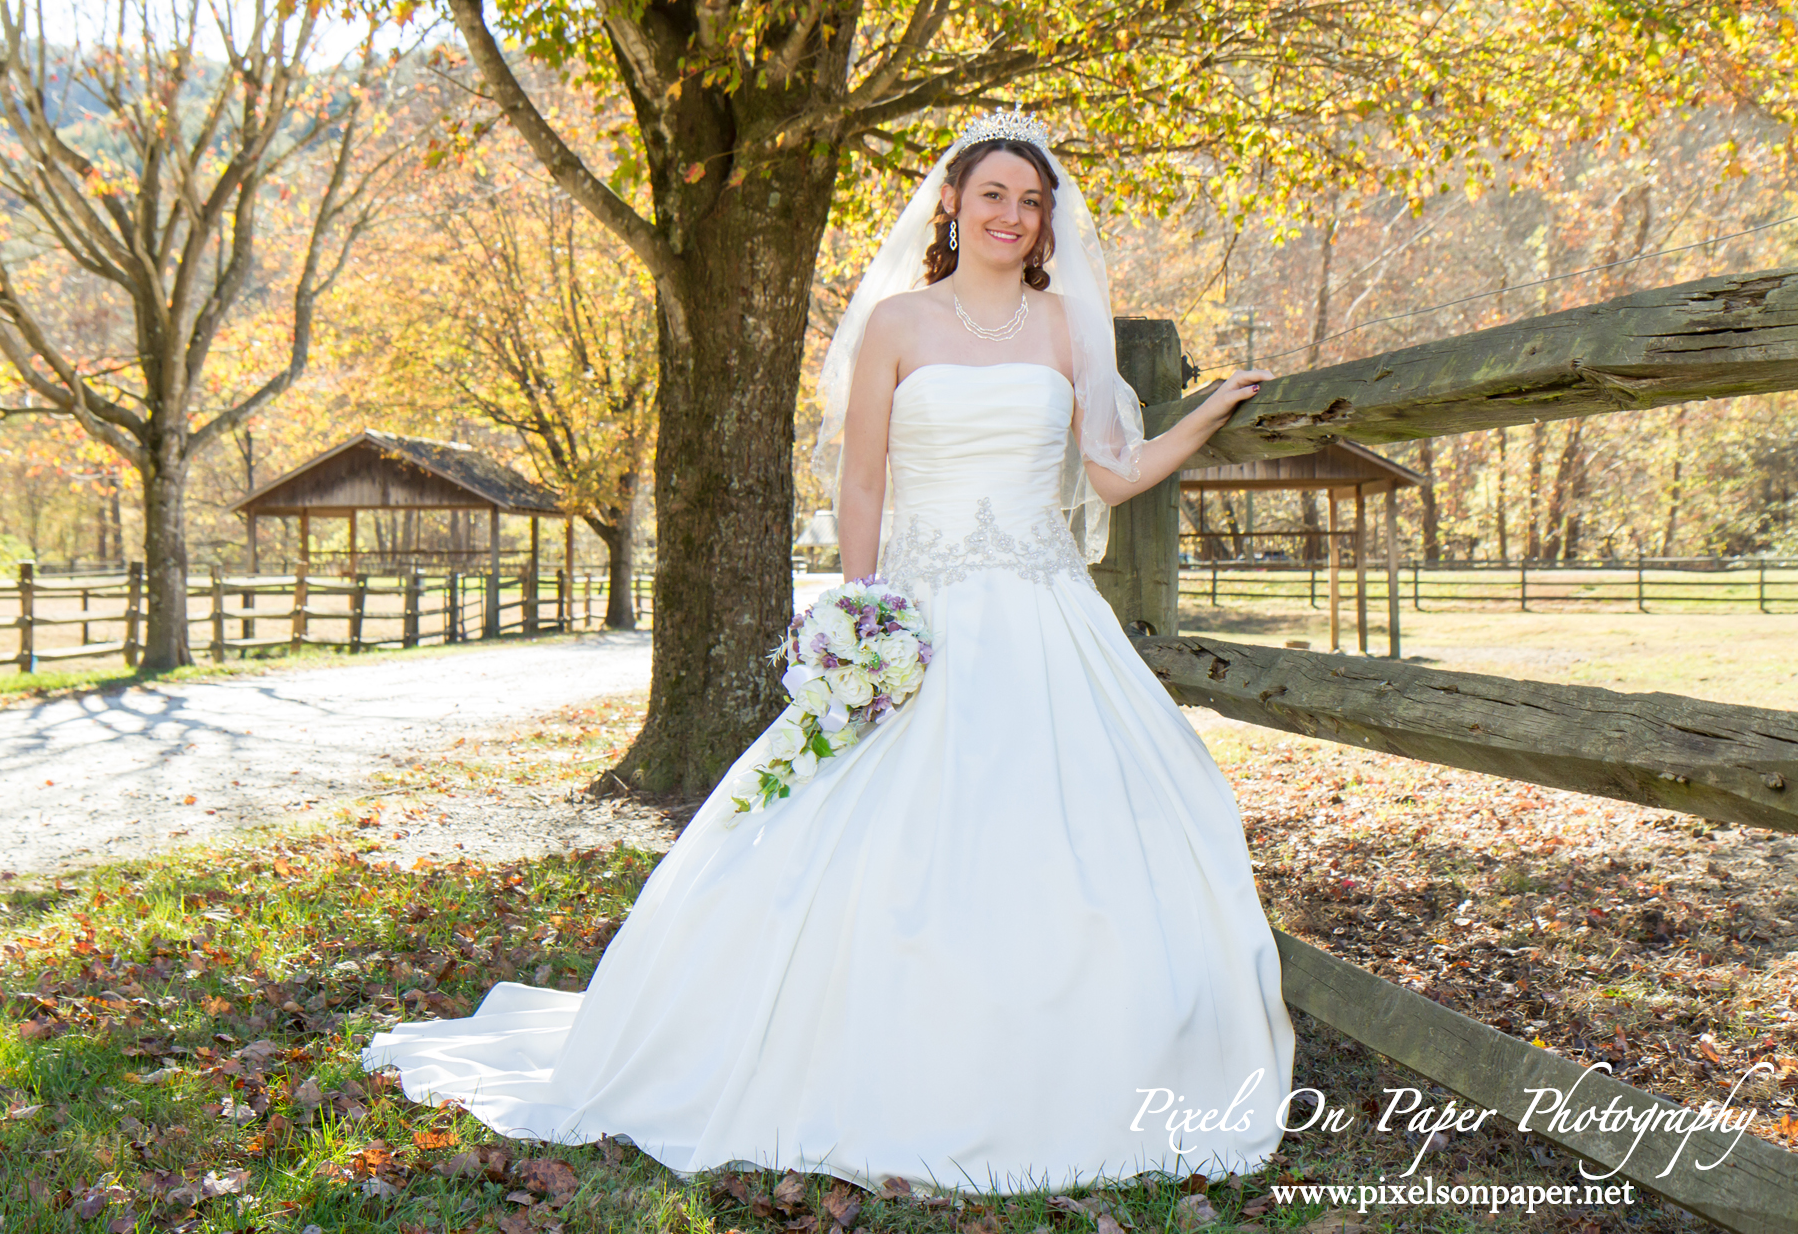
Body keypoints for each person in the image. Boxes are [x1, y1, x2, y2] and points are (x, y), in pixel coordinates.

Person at [362, 110, 1293, 1196]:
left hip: (1044, 613)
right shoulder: (898, 321)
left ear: (1046, 224)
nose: (1009, 215)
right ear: (951, 202)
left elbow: (1112, 471)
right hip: (925, 607)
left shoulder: (1067, 328)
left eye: (1029, 202)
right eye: (990, 194)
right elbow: (860, 480)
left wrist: (1207, 414)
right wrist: (865, 617)